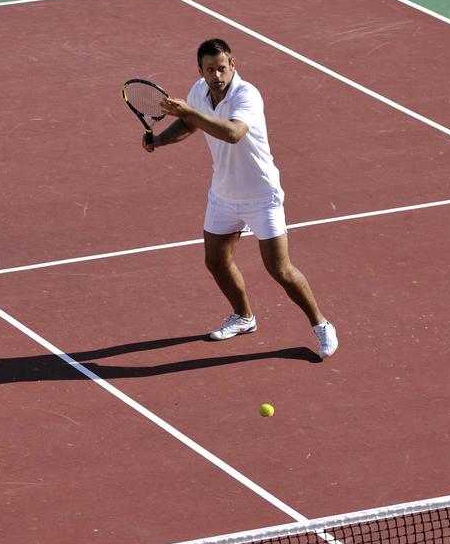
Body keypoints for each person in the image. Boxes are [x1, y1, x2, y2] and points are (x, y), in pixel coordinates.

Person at [140, 38, 338, 359]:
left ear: (232, 65)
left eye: (222, 68)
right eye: (210, 70)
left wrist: (190, 111)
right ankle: (244, 317)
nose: (216, 75)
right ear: (200, 70)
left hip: (261, 194)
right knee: (215, 261)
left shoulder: (247, 94)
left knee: (280, 269)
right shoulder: (198, 92)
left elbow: (233, 133)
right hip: (223, 194)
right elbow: (190, 124)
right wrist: (160, 140)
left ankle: (321, 325)